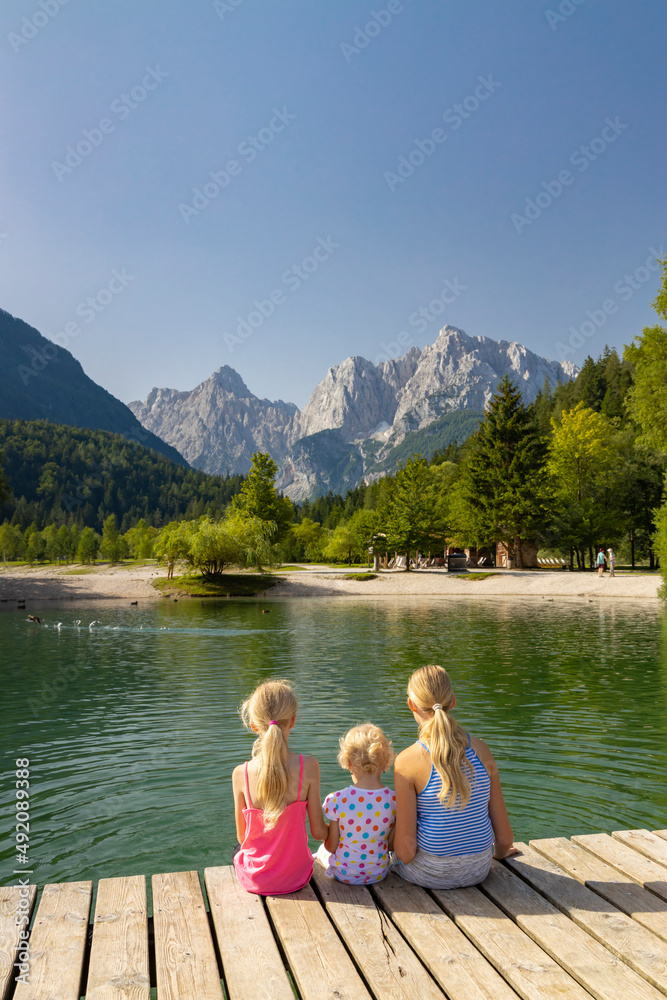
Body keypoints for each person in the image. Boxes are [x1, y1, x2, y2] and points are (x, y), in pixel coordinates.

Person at [392, 664, 516, 889]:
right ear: (453, 702)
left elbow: (406, 852)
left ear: (411, 705)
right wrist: (497, 855)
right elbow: (506, 839)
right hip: (479, 870)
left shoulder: (406, 761)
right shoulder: (482, 750)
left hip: (428, 874)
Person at [232, 678, 328, 894]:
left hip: (255, 880)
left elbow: (242, 838)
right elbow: (319, 832)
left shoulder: (241, 774)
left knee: (236, 851)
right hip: (297, 877)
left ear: (254, 725)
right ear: (292, 721)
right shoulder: (308, 766)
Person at [315, 723, 396, 885]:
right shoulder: (394, 800)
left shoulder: (337, 799)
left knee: (321, 851)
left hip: (344, 874)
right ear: (386, 760)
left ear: (349, 763)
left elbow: (331, 846)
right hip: (378, 874)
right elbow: (391, 845)